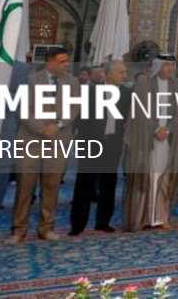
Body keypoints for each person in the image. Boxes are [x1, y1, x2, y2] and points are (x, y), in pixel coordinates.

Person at [12, 46, 79, 240]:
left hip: (58, 140)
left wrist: (57, 125)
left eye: (67, 60)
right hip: (31, 140)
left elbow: (74, 107)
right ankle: (19, 229)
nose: (66, 64)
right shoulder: (31, 80)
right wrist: (41, 128)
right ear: (50, 61)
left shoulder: (72, 82)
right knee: (25, 186)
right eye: (62, 61)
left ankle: (46, 227)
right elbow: (23, 108)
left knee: (51, 186)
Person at [124, 53, 178, 231]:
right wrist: (155, 129)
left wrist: (169, 129)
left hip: (167, 139)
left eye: (172, 66)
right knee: (147, 177)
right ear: (158, 66)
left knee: (164, 177)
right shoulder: (144, 82)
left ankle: (160, 217)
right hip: (147, 138)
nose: (170, 69)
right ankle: (142, 218)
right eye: (166, 65)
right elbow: (139, 111)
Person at [70, 59, 130, 235]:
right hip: (90, 142)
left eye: (125, 72)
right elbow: (79, 118)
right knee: (84, 183)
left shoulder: (127, 93)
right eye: (121, 72)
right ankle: (78, 224)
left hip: (113, 143)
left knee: (109, 183)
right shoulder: (90, 91)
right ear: (109, 73)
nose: (125, 75)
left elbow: (128, 119)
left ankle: (103, 221)